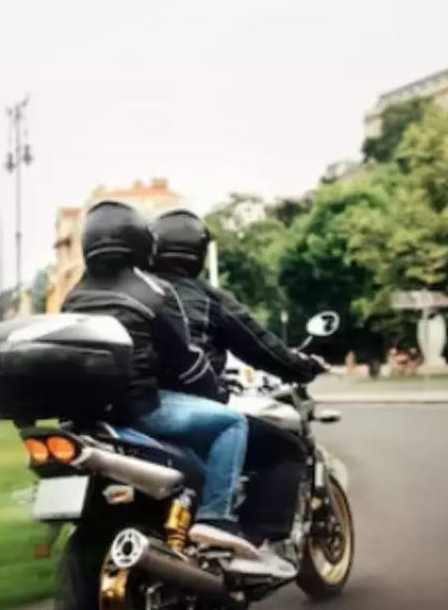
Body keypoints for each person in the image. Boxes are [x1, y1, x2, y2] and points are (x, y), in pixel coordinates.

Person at [60, 200, 272, 562]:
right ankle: (217, 519)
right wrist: (216, 390)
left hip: (90, 417)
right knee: (231, 424)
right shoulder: (153, 292)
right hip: (140, 411)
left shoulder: (73, 298)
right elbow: (187, 362)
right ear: (141, 242)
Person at [148, 208, 326, 389]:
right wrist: (305, 368)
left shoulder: (133, 287)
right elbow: (260, 346)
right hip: (191, 396)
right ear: (200, 252)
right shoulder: (209, 299)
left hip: (136, 399)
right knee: (255, 418)